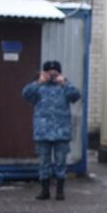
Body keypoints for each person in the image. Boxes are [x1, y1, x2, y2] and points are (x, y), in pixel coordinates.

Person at [22, 60, 81, 200]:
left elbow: (76, 96)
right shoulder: (38, 87)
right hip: (43, 132)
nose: (52, 74)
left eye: (55, 72)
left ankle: (60, 191)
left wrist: (64, 83)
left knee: (61, 162)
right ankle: (45, 191)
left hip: (61, 132)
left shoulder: (64, 86)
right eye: (49, 72)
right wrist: (39, 82)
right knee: (44, 163)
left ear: (60, 73)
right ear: (44, 73)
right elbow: (25, 94)